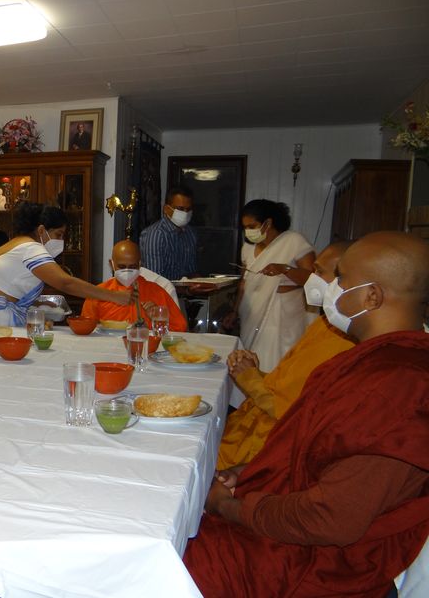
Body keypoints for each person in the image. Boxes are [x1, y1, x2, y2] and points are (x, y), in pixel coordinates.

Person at [184, 231, 429, 597]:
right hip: (283, 519)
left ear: (371, 296)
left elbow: (332, 519)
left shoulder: (402, 387)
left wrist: (230, 507)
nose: (329, 288)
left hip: (315, 563)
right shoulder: (367, 360)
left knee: (165, 564)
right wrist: (250, 471)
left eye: (340, 278)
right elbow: (319, 449)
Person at [217, 241, 355, 470]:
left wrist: (249, 378)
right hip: (251, 425)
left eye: (319, 272)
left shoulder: (344, 342)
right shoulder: (325, 324)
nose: (311, 278)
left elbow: (291, 410)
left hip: (269, 444)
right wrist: (257, 372)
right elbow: (289, 385)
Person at [0, 202, 133, 330]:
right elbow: (66, 283)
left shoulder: (15, 243)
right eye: (58, 234)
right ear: (41, 230)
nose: (61, 241)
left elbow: (10, 289)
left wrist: (38, 308)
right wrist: (114, 296)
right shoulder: (32, 248)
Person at [223, 199, 316, 371]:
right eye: (245, 227)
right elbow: (244, 284)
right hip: (252, 315)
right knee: (251, 360)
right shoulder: (247, 248)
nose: (248, 231)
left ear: (268, 223)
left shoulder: (294, 241)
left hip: (283, 316)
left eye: (252, 226)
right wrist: (235, 311)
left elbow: (313, 279)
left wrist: (285, 269)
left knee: (279, 364)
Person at [81, 240, 187, 331]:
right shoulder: (99, 293)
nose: (127, 271)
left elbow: (180, 330)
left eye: (132, 267)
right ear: (111, 264)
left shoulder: (158, 292)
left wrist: (158, 319)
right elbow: (86, 329)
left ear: (139, 265)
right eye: (121, 267)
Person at [139, 186, 198, 282]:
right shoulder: (156, 235)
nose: (185, 213)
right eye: (180, 209)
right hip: (161, 290)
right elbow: (155, 280)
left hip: (185, 290)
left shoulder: (190, 233)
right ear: (166, 209)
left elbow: (191, 272)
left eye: (188, 209)